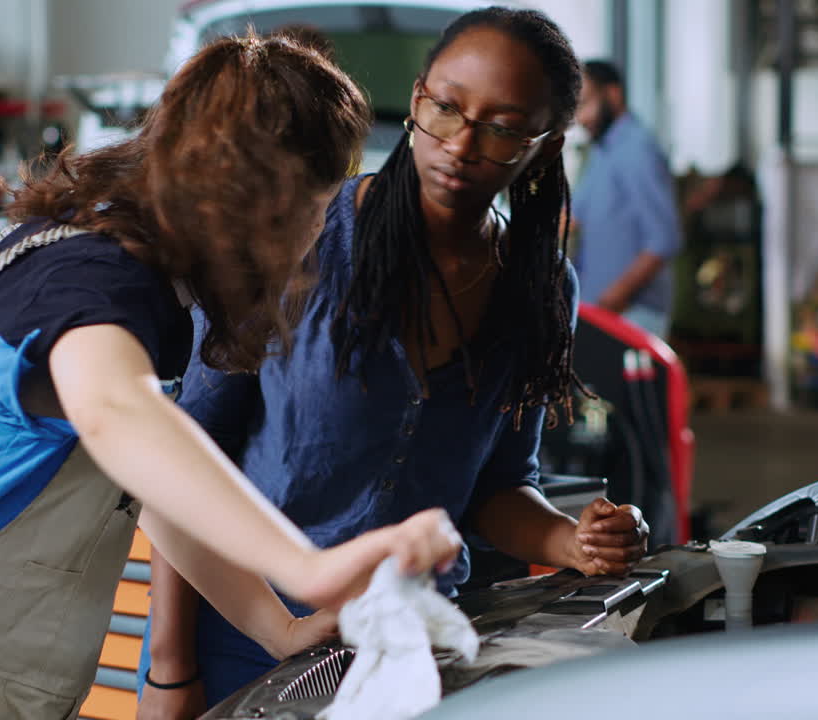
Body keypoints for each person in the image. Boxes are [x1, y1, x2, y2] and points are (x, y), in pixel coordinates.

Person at [0, 34, 462, 719]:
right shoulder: (95, 278)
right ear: (267, 201)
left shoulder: (95, 263)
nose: (317, 237)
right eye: (318, 208)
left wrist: (276, 627)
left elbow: (149, 486)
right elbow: (115, 413)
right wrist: (309, 567)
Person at [138, 9, 651, 717]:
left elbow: (496, 486)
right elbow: (174, 466)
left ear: (544, 143)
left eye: (501, 126)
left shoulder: (539, 289)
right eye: (446, 108)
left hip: (413, 652)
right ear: (416, 101)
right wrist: (169, 669)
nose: (463, 144)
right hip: (244, 644)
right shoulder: (298, 246)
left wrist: (572, 540)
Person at [571, 60, 682, 339]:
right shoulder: (601, 152)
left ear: (613, 94)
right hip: (598, 314)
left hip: (631, 316)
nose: (581, 119)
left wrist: (612, 300)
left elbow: (663, 240)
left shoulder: (637, 149)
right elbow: (572, 219)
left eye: (585, 104)